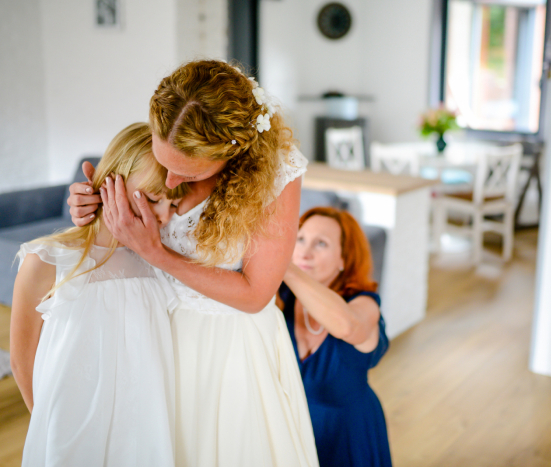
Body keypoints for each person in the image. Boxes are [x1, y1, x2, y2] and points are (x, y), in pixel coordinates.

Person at [67, 60, 318, 467]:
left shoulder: (276, 174)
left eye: (184, 171)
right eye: (162, 161)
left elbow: (256, 294)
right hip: (149, 338)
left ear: (230, 153)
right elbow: (120, 224)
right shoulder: (172, 136)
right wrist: (91, 206)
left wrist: (157, 253)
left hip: (228, 356)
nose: (168, 182)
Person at [11, 123, 187, 466]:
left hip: (144, 429)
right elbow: (21, 361)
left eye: (173, 205)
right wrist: (50, 426)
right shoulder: (46, 260)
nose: (163, 217)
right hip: (71, 431)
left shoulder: (160, 262)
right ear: (110, 182)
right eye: (152, 199)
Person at [277, 207, 392, 467]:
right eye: (300, 239)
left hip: (348, 438)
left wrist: (284, 265)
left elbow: (349, 327)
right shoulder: (281, 298)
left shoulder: (364, 304)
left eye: (321, 243)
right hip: (291, 432)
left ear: (344, 259)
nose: (304, 253)